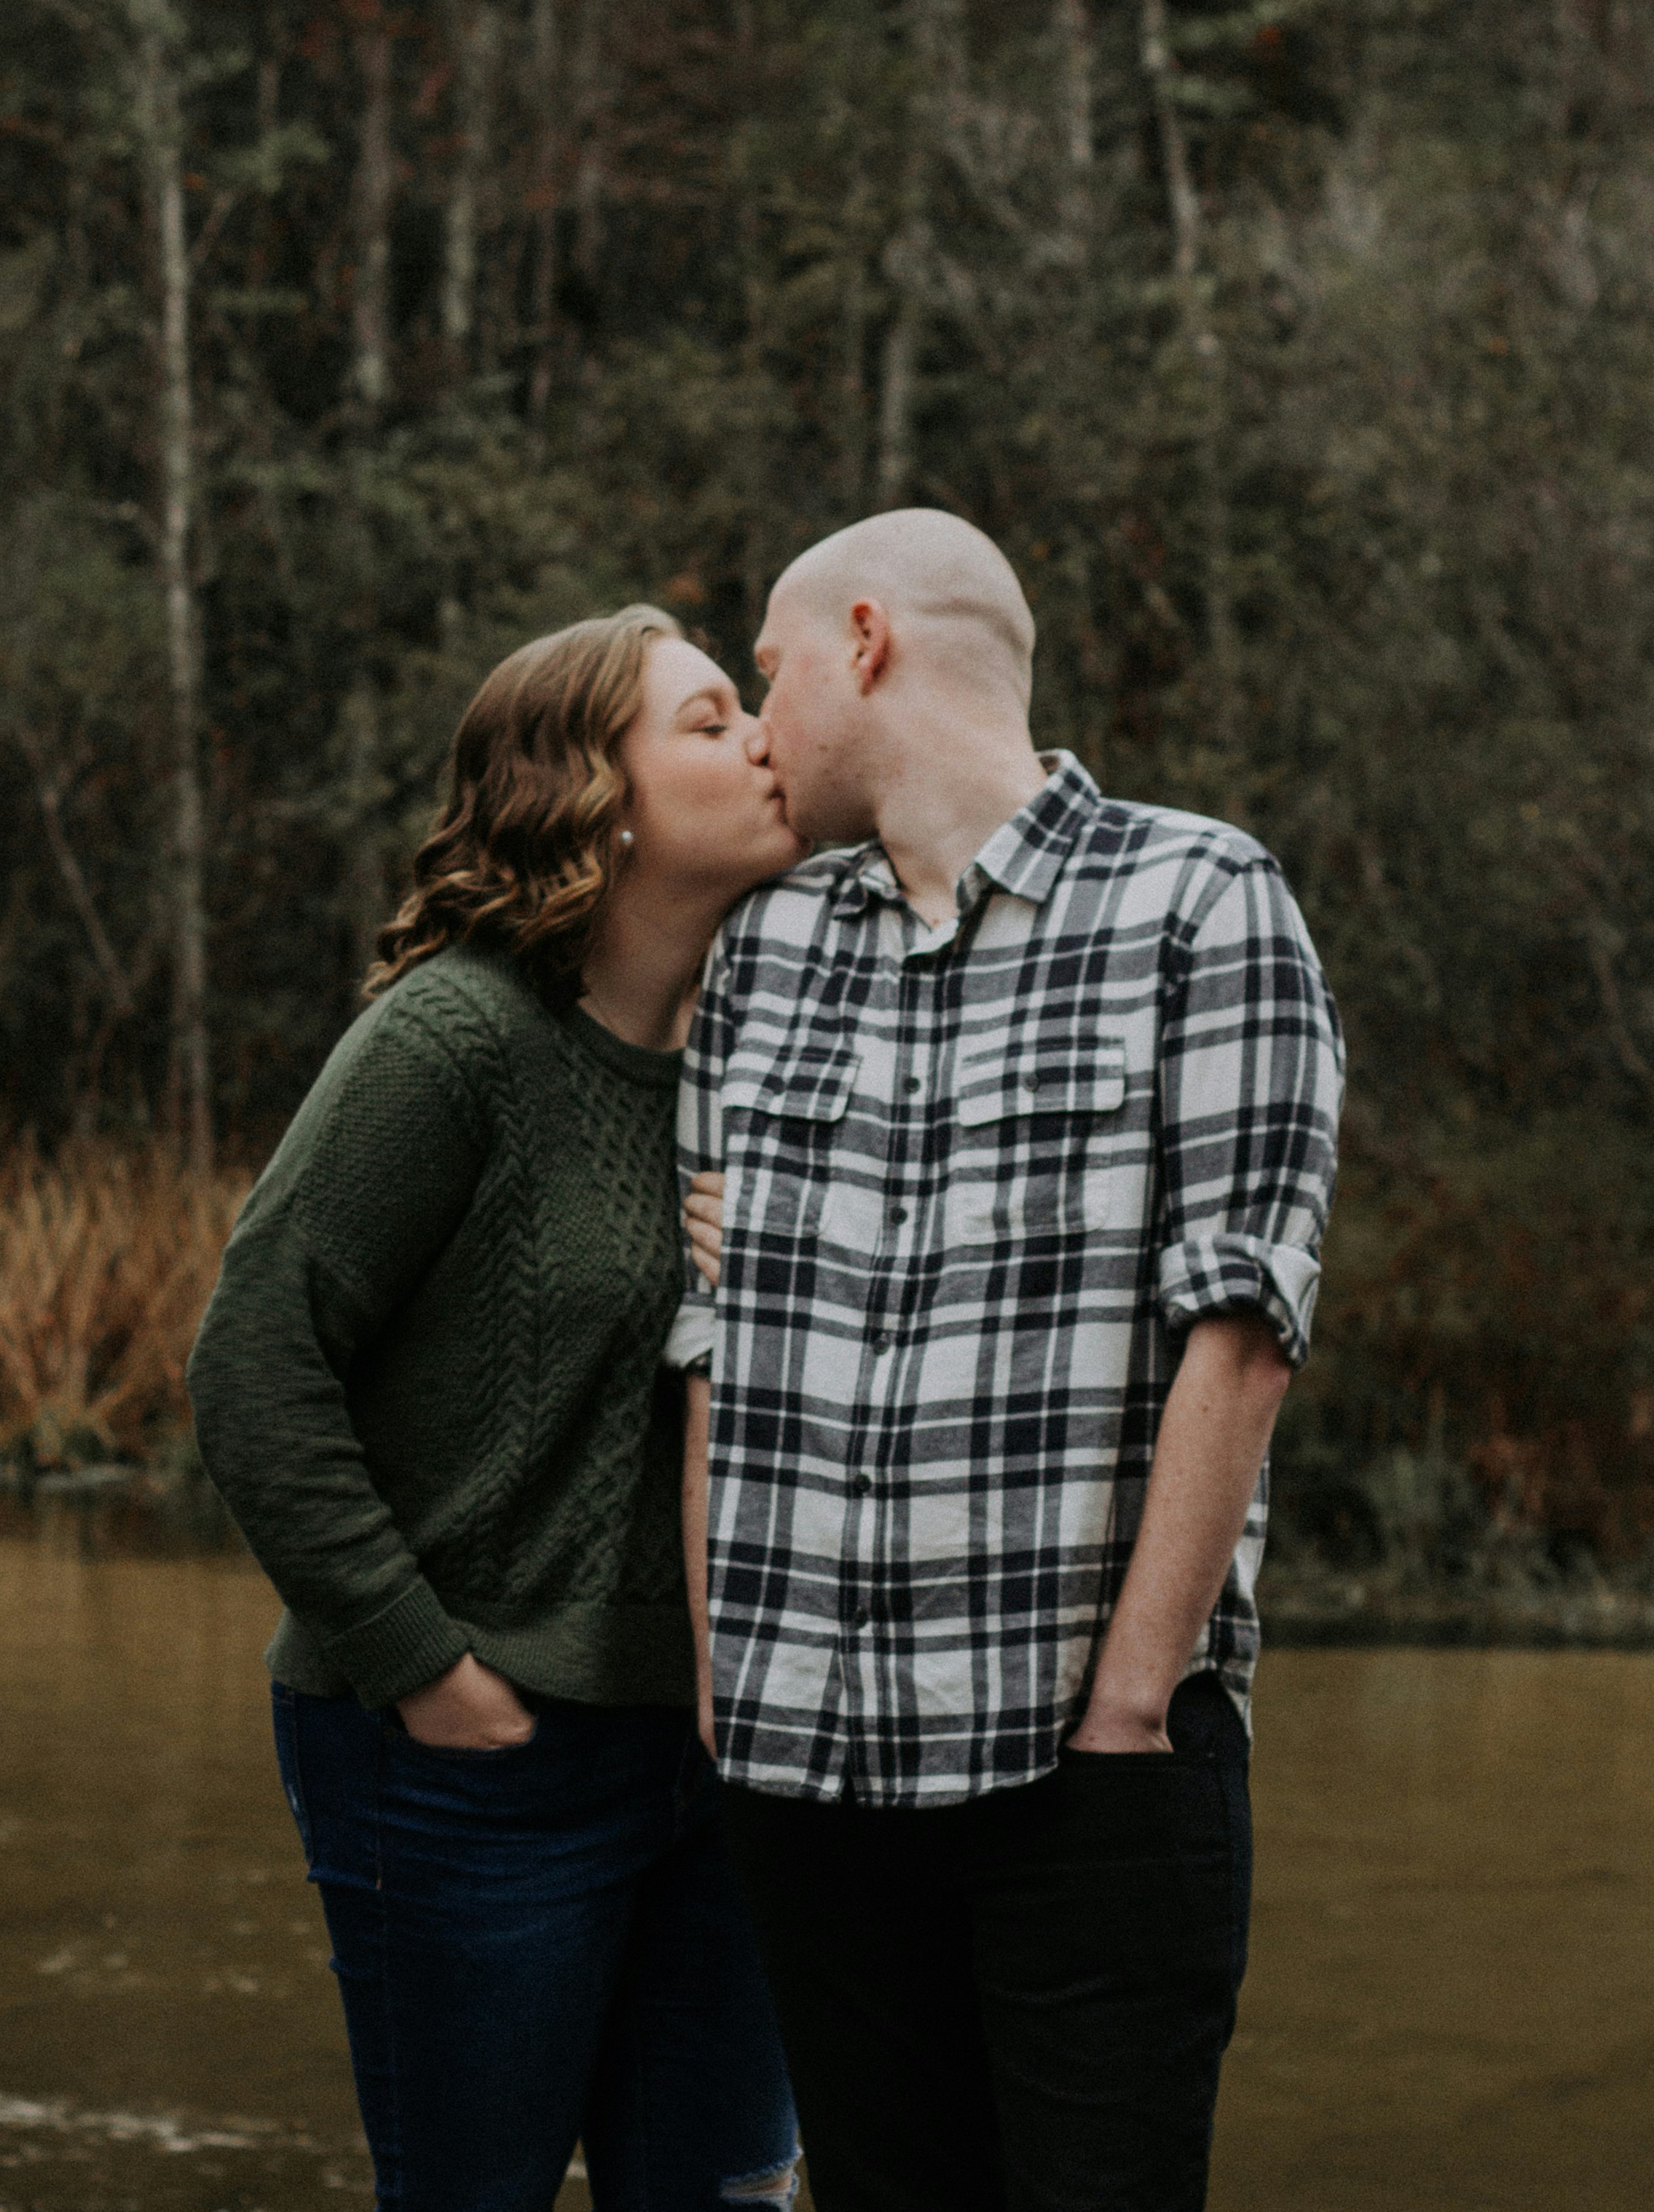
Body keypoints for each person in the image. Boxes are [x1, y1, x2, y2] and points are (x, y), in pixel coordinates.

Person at [672, 510, 1344, 2212]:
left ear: (866, 640)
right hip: (803, 1770)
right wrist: (716, 1678)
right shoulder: (764, 950)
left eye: (766, 669)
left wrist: (1127, 1708)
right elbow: (711, 1344)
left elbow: (1242, 1335)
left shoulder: (1199, 899)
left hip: (1080, 1780)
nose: (753, 729)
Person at [186, 606, 803, 2212]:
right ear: (596, 794)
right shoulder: (452, 1039)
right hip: (469, 1763)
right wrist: (427, 1669)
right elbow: (252, 1360)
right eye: (707, 717)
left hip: (713, 1766)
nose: (760, 740)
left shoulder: (759, 1063)